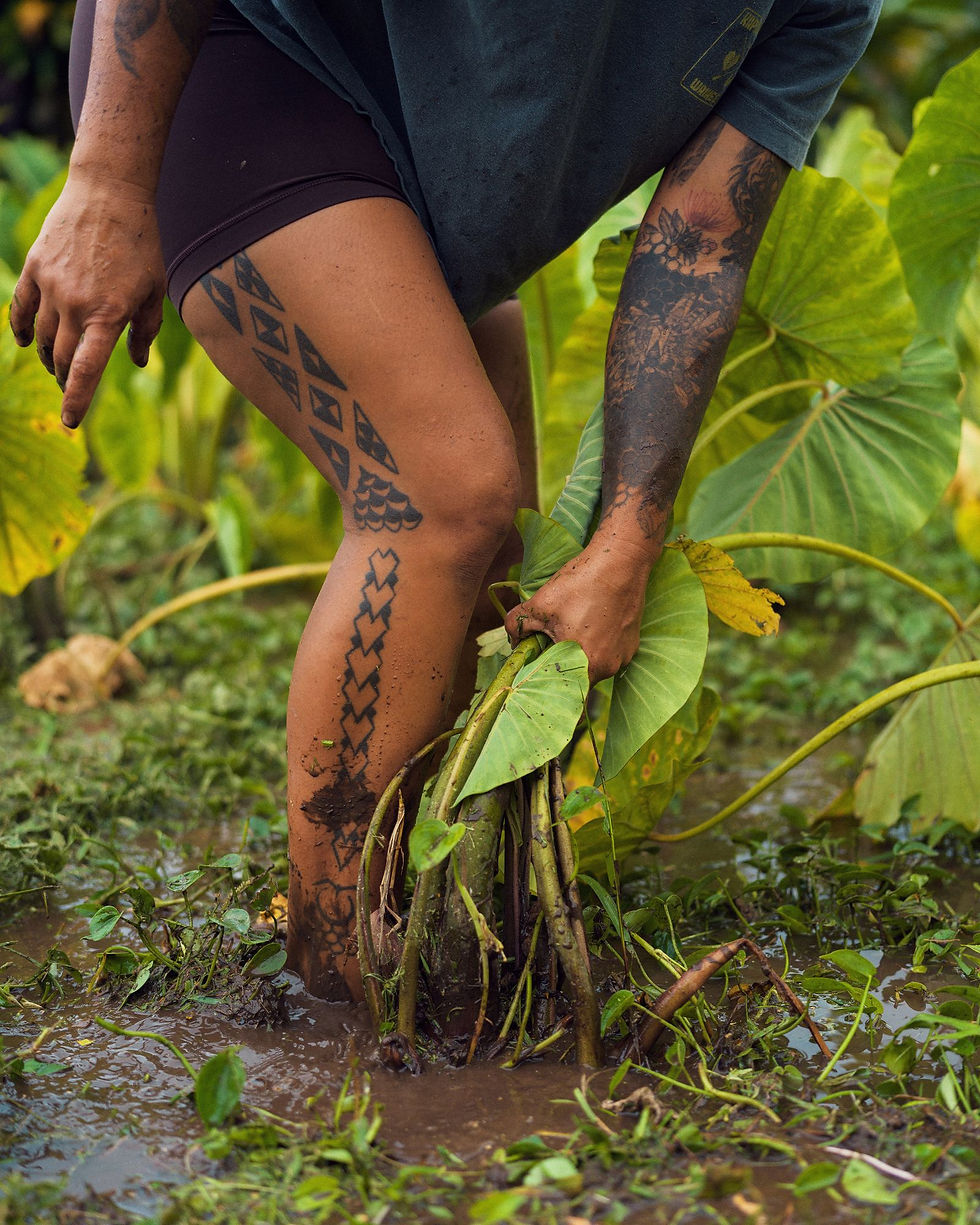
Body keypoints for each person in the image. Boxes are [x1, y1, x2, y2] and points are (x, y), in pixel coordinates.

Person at [11, 0, 881, 1001]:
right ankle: (336, 985)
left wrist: (628, 541)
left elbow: (699, 241)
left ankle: (403, 924)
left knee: (485, 551)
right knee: (441, 494)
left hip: (420, 161)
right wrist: (107, 180)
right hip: (247, 56)